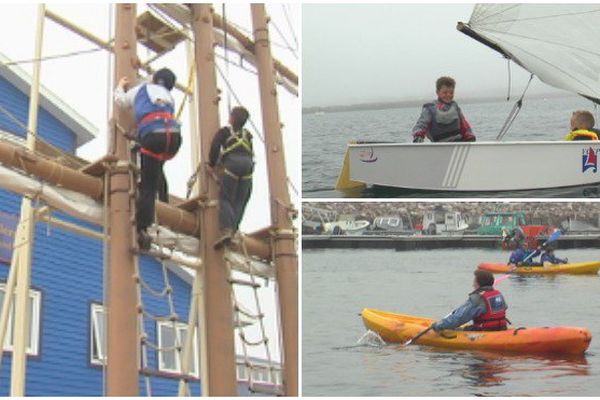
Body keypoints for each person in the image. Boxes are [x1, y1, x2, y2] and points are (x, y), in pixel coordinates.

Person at [114, 68, 182, 250]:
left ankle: (142, 227)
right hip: (173, 139)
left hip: (154, 138)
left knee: (148, 184)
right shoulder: (169, 96)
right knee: (156, 169)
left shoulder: (143, 89)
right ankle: (164, 204)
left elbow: (121, 101)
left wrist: (120, 86)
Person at [209, 106, 254, 249]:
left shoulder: (224, 132)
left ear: (232, 118)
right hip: (248, 166)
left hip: (232, 164)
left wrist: (212, 164)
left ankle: (227, 230)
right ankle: (234, 231)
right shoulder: (247, 134)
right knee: (240, 200)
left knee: (225, 198)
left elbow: (215, 147)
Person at [431, 270, 508, 332]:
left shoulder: (477, 298)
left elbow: (459, 318)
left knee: (452, 329)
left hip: (484, 331)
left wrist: (438, 325)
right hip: (501, 329)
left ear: (478, 284)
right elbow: (504, 308)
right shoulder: (498, 294)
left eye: (474, 281)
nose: (473, 285)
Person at [412, 76, 476, 143]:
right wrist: (418, 136)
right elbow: (421, 124)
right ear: (437, 92)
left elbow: (464, 125)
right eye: (445, 92)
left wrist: (470, 136)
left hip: (458, 143)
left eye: (451, 92)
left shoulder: (455, 107)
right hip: (439, 146)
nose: (448, 95)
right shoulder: (429, 108)